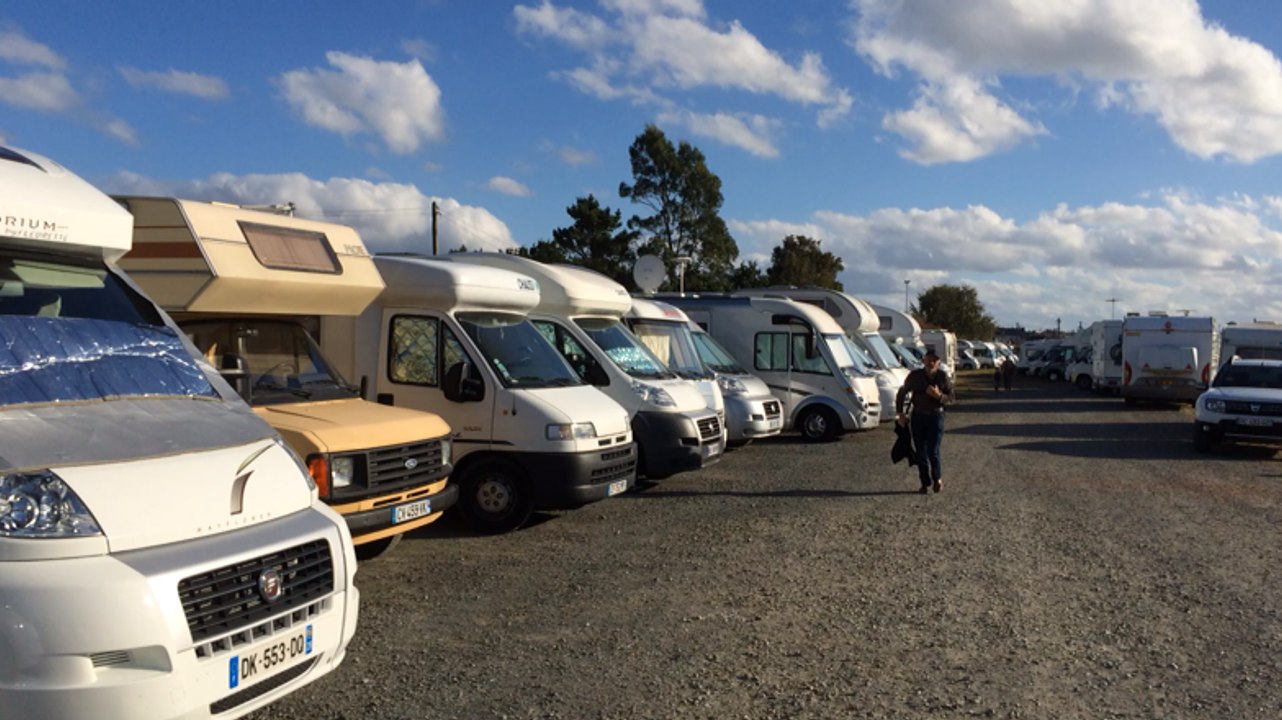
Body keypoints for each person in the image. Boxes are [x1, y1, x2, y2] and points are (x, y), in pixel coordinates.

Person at [896, 350, 954, 494]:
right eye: (928, 360)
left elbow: (952, 397)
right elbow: (902, 393)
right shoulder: (915, 376)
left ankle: (937, 479)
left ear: (938, 363)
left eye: (934, 360)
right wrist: (901, 413)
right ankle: (924, 483)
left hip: (936, 416)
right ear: (923, 361)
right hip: (918, 416)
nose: (931, 363)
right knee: (920, 451)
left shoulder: (942, 376)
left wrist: (939, 396)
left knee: (933, 450)